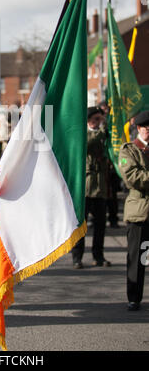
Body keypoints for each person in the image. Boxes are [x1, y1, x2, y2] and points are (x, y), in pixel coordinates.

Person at [72, 106, 111, 269]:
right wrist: (102, 132)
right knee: (81, 225)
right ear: (88, 120)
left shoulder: (103, 135)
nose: (98, 123)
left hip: (100, 184)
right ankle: (77, 257)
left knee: (100, 224)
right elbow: (87, 144)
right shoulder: (83, 133)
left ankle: (98, 256)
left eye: (100, 120)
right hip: (85, 185)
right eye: (96, 119)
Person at [118, 110, 149, 311]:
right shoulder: (129, 150)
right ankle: (134, 297)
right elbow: (132, 177)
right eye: (147, 128)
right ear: (138, 128)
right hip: (140, 211)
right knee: (137, 257)